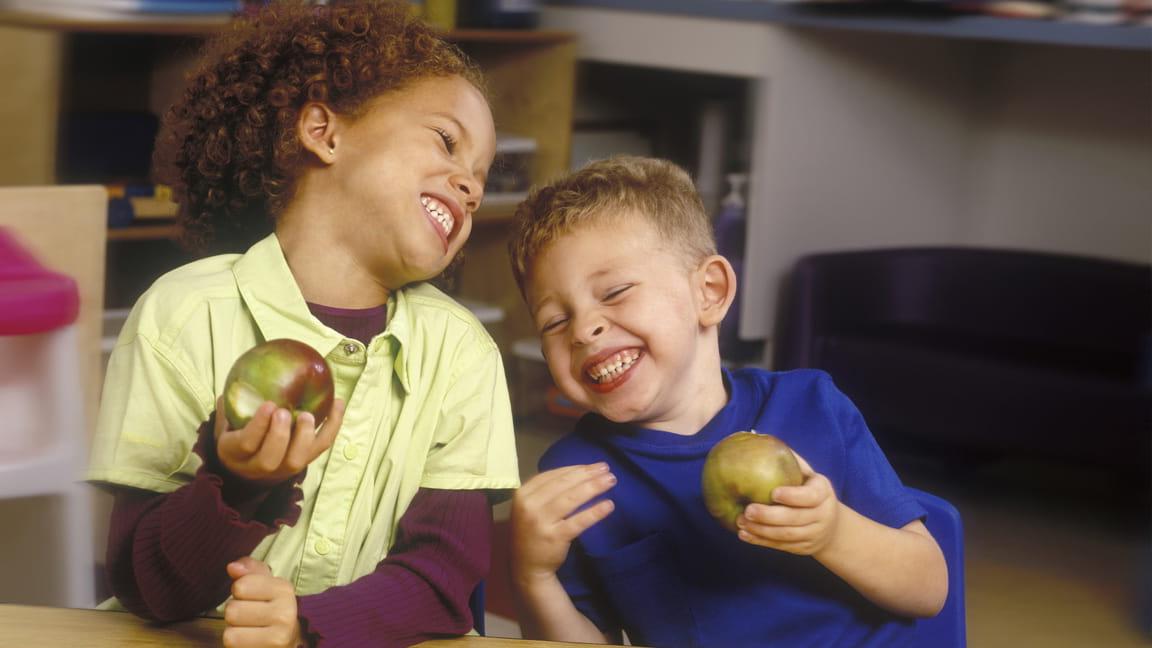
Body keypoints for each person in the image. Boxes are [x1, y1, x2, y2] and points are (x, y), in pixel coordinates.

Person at [86, 2, 519, 647]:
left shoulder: (463, 353)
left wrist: (306, 629)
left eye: (482, 177)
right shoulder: (180, 314)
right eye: (447, 141)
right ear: (324, 131)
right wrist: (237, 483)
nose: (471, 187)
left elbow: (443, 578)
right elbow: (147, 589)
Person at [505, 156, 948, 647]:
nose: (584, 329)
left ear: (709, 292)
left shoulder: (812, 405)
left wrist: (833, 533)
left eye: (614, 291)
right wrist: (534, 577)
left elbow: (928, 588)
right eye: (553, 321)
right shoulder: (575, 478)